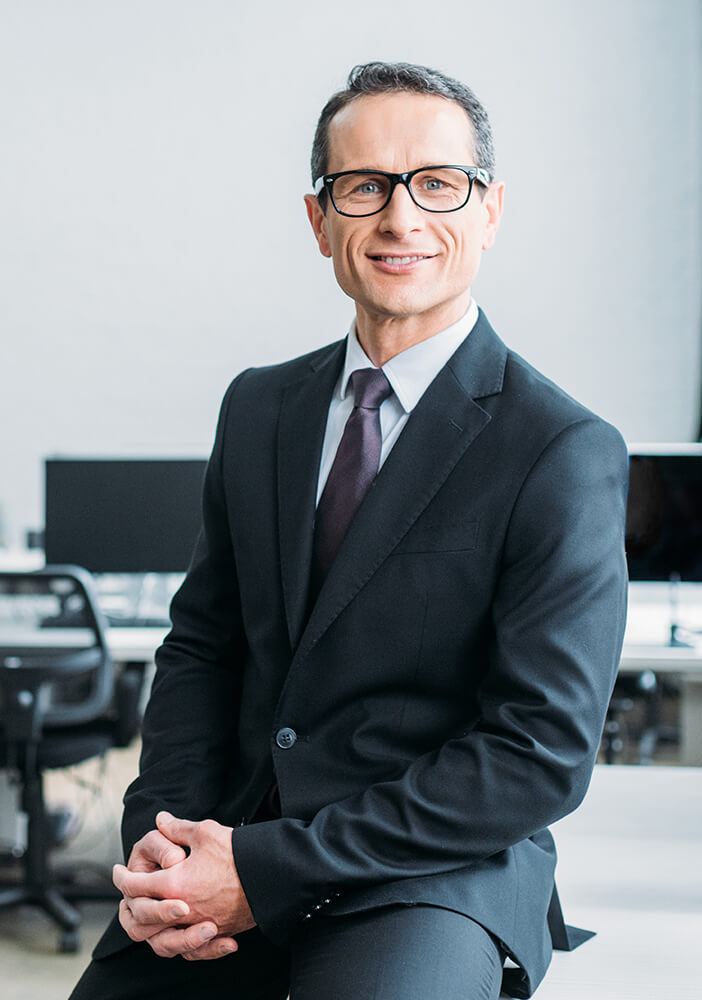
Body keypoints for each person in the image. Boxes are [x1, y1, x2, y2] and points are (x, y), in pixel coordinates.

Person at [69, 61, 628, 1000]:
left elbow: (537, 754)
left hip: (428, 878)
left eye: (437, 184)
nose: (400, 219)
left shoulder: (559, 447)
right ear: (319, 217)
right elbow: (204, 650)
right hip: (230, 843)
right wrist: (161, 844)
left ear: (489, 210)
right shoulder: (259, 408)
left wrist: (266, 867)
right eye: (363, 186)